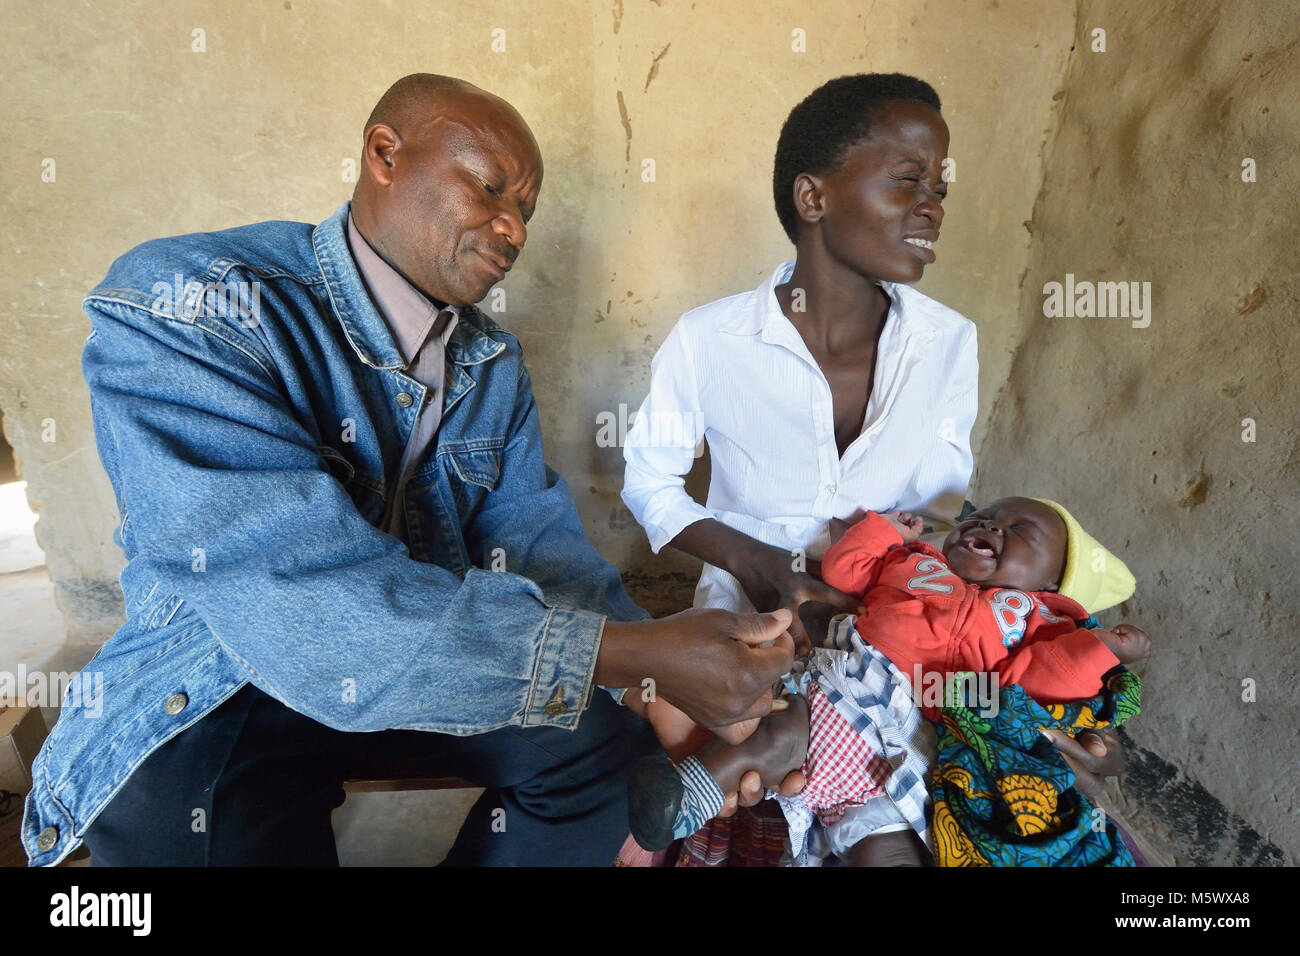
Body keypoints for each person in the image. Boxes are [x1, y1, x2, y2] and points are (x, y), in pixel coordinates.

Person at [21, 74, 795, 867]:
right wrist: (638, 657)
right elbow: (300, 601)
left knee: (610, 762)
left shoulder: (489, 363)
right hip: (227, 675)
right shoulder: (194, 305)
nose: (513, 229)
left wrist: (651, 687)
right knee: (188, 830)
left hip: (435, 659)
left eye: (525, 210)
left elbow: (535, 549)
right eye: (490, 188)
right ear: (384, 155)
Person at [619, 73, 1126, 866]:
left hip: (901, 629)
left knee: (951, 801)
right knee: (748, 762)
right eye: (908, 181)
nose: (933, 206)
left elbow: (946, 517)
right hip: (748, 620)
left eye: (940, 188)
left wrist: (1060, 696)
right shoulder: (709, 339)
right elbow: (648, 482)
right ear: (814, 198)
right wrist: (759, 564)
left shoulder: (948, 343)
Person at [627, 497, 1149, 865]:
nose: (992, 527)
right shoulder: (916, 562)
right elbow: (846, 571)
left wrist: (1098, 649)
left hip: (914, 740)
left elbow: (1034, 682)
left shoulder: (1033, 620)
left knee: (887, 845)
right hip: (838, 690)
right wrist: (885, 532)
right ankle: (682, 799)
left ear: (1052, 583)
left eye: (1019, 532)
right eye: (986, 516)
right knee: (767, 737)